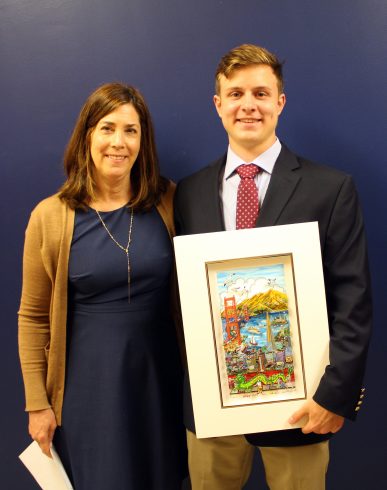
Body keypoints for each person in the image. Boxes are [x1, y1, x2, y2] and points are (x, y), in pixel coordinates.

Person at [174, 44, 372, 489]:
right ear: (218, 104)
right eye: (237, 93)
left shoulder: (331, 188)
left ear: (280, 103)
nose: (249, 105)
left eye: (261, 93)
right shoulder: (186, 193)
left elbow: (353, 301)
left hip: (300, 407)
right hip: (212, 407)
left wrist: (335, 395)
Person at [18, 82, 187, 489]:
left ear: (142, 141)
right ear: (87, 136)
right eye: (107, 128)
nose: (119, 142)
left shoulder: (168, 200)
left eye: (131, 130)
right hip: (89, 388)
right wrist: (37, 404)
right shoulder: (51, 217)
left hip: (160, 381)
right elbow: (33, 318)